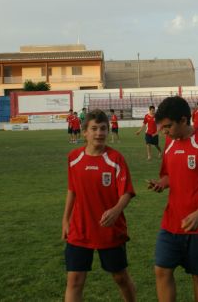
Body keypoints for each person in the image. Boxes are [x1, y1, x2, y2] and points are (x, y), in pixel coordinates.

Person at [146, 96, 198, 302]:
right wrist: (161, 183)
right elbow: (169, 174)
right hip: (172, 220)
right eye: (162, 127)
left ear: (183, 120)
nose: (164, 131)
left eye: (168, 126)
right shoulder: (169, 142)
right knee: (162, 270)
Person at [61, 110, 136, 302]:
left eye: (103, 128)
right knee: (75, 280)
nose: (99, 133)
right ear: (84, 132)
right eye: (94, 129)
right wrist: (65, 219)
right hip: (80, 229)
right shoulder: (74, 158)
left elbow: (126, 192)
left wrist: (116, 210)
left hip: (109, 229)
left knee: (120, 277)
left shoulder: (116, 159)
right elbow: (72, 190)